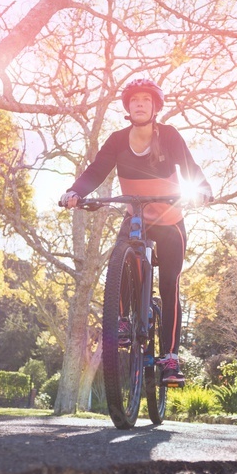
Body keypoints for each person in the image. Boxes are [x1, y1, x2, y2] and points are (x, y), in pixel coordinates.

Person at [60, 78, 213, 387]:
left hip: (170, 220)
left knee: (170, 284)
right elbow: (96, 170)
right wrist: (75, 191)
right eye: (134, 100)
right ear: (128, 108)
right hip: (136, 216)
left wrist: (203, 188)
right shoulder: (117, 140)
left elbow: (189, 166)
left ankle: (170, 358)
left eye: (146, 99)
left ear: (155, 106)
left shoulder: (168, 135)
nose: (139, 103)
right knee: (119, 261)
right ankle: (123, 322)